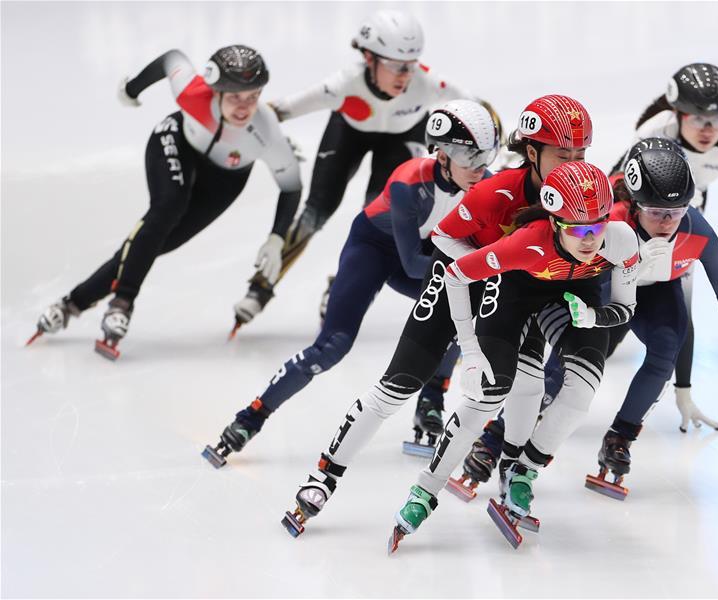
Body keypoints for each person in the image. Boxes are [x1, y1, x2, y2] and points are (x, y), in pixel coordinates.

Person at [278, 95, 593, 539]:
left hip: (516, 294)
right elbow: (444, 238)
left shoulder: (583, 193)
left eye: (581, 154)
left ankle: (515, 474)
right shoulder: (497, 190)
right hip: (458, 281)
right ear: (532, 151)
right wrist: (490, 264)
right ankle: (324, 478)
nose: (574, 164)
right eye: (564, 154)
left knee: (530, 381)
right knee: (397, 386)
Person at [201, 99, 499, 468]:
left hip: (426, 252)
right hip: (375, 249)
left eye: (487, 157)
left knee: (461, 315)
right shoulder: (409, 182)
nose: (480, 169)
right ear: (441, 155)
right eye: (469, 158)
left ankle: (431, 401)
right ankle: (252, 416)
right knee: (332, 347)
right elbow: (411, 263)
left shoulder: (485, 184)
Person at [390, 161, 639, 551]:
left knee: (581, 394)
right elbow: (455, 275)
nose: (590, 239)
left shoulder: (622, 240)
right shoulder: (526, 243)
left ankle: (524, 471)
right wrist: (469, 349)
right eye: (577, 228)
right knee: (488, 393)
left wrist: (593, 316)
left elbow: (625, 308)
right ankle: (425, 489)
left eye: (597, 226)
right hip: (515, 297)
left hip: (575, 300)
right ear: (555, 222)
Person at [28, 45, 302, 360]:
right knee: (168, 206)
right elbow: (171, 59)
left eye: (253, 97)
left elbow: (292, 187)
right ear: (215, 92)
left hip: (226, 178)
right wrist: (131, 90)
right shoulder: (193, 92)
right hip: (177, 142)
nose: (245, 107)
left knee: (156, 243)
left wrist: (276, 237)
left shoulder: (266, 131)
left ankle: (72, 303)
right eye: (235, 97)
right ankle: (123, 303)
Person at [230, 9, 496, 333]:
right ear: (369, 58)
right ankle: (260, 286)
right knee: (316, 212)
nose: (405, 76)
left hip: (401, 139)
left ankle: (340, 282)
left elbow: (481, 110)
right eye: (397, 66)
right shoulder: (345, 83)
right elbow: (281, 110)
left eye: (411, 66)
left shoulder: (425, 82)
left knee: (378, 219)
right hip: (348, 135)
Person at [580, 138, 718, 500]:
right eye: (656, 212)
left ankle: (620, 437)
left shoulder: (696, 229)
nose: (666, 221)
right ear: (633, 206)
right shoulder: (610, 222)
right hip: (606, 291)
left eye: (676, 212)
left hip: (655, 293)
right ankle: (508, 425)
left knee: (666, 347)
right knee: (579, 360)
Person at [633, 62, 718, 426]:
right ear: (677, 113)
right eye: (696, 118)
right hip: (648, 206)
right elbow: (626, 195)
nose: (708, 129)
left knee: (680, 298)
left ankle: (683, 393)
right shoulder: (652, 133)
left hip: (686, 207)